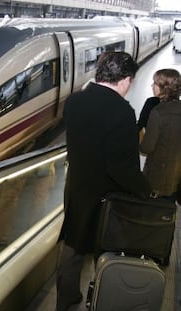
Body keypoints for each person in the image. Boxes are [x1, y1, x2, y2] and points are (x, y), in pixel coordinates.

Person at [56, 51, 152, 311]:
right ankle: (101, 299)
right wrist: (145, 190)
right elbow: (122, 166)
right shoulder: (122, 111)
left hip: (76, 186)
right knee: (106, 250)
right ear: (126, 79)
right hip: (107, 195)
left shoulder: (74, 102)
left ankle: (65, 300)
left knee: (73, 243)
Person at [140, 68, 181, 203]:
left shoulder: (158, 112)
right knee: (168, 212)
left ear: (164, 88)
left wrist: (141, 137)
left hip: (157, 177)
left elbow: (147, 148)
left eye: (155, 83)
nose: (152, 86)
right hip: (176, 176)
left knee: (153, 213)